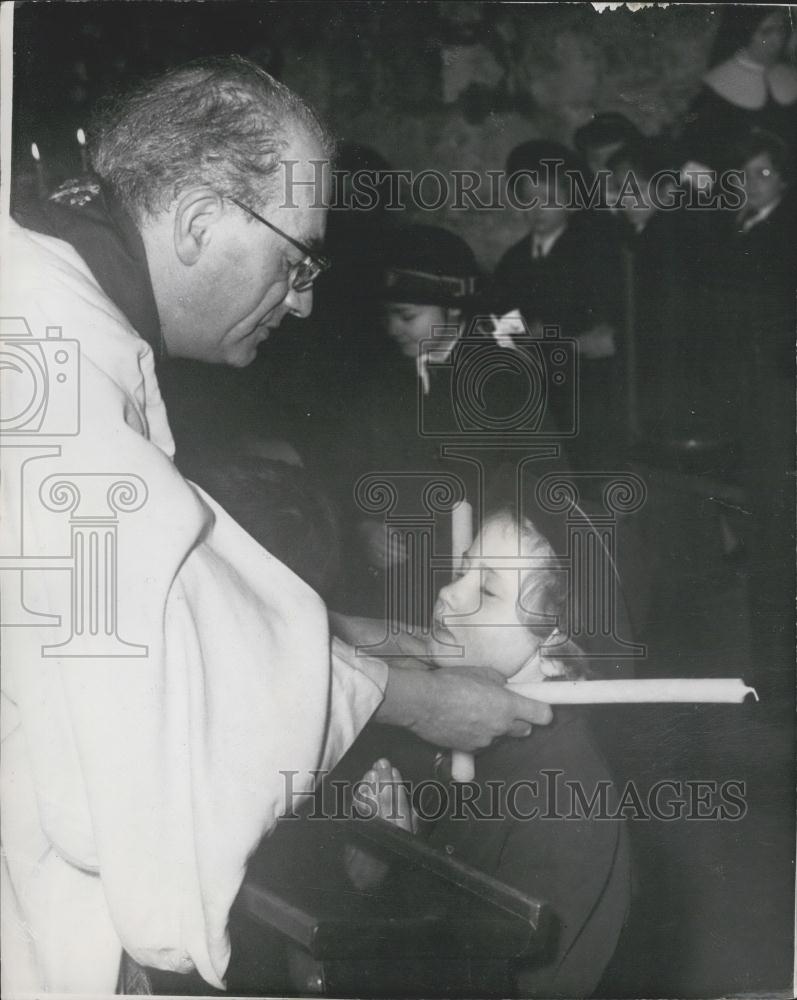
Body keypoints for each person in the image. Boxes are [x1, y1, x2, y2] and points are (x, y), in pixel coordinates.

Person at [1, 57, 552, 995]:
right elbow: (143, 681)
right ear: (203, 222)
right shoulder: (47, 364)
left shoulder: (59, 301)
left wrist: (334, 633)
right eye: (296, 258)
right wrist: (398, 697)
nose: (301, 299)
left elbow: (169, 581)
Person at [352, 507, 632, 997]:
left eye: (485, 590)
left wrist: (402, 858)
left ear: (553, 649)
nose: (447, 593)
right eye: (463, 571)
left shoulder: (565, 797)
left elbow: (498, 980)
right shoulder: (437, 718)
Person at [493, 140, 625, 469]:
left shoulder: (591, 253)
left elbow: (599, 322)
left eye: (549, 200)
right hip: (533, 383)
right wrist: (515, 333)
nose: (537, 210)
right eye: (529, 199)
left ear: (570, 203)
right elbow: (499, 315)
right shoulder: (514, 260)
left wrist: (549, 335)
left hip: (584, 385)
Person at [681, 6, 797, 174]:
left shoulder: (791, 75)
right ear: (744, 32)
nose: (777, 40)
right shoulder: (713, 91)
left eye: (782, 29)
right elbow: (698, 162)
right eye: (766, 32)